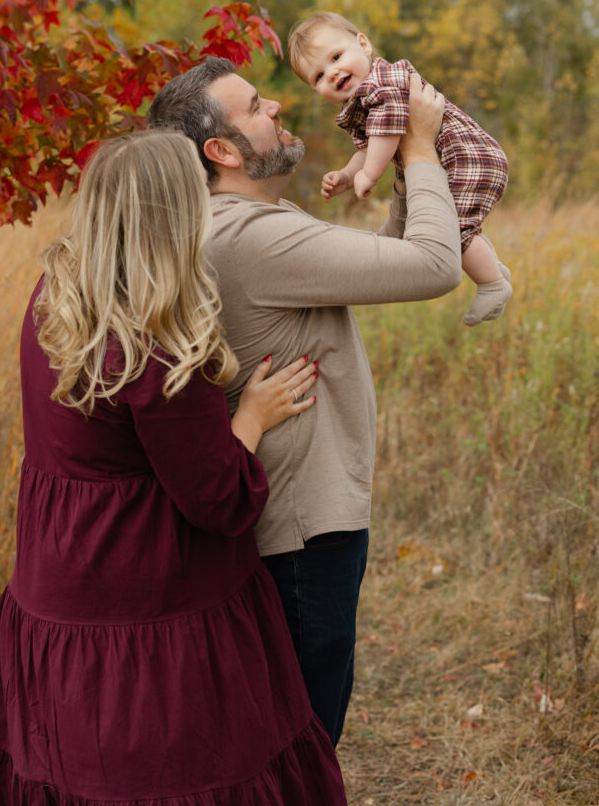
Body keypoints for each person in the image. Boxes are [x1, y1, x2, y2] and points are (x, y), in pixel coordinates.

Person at [0, 130, 348, 805]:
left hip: (59, 579)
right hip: (152, 595)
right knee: (177, 774)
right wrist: (252, 417)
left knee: (74, 765)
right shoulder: (159, 344)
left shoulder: (57, 297)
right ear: (177, 217)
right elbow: (219, 499)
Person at [146, 60, 463, 746]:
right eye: (257, 106)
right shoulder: (252, 237)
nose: (279, 107)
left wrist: (408, 172)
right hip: (298, 532)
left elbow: (388, 262)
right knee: (301, 741)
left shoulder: (245, 222)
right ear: (223, 151)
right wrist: (417, 145)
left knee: (282, 734)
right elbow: (435, 266)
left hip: (293, 520)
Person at [287, 11, 512, 327]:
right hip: (459, 159)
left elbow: (388, 130)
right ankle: (493, 270)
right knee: (461, 225)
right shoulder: (362, 102)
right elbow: (366, 149)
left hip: (466, 158)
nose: (333, 72)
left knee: (454, 231)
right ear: (315, 90)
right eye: (319, 76)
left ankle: (492, 283)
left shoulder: (383, 82)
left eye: (336, 56)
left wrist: (370, 174)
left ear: (363, 44)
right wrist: (348, 176)